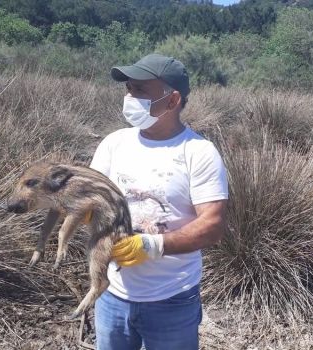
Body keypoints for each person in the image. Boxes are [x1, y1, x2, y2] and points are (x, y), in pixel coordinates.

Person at [89, 53, 229, 350]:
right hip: (112, 294)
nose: (129, 97)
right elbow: (92, 200)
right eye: (128, 89)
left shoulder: (198, 152)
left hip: (172, 300)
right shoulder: (114, 143)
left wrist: (152, 245)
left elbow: (213, 225)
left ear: (172, 99)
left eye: (139, 90)